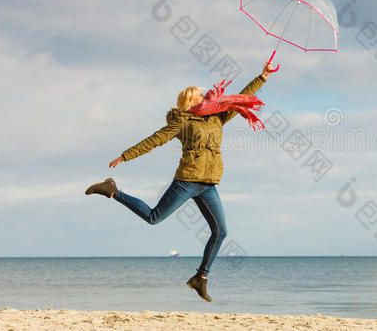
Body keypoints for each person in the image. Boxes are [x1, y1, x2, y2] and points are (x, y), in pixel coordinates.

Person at [84, 60, 275, 302]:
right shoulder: (182, 121)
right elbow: (155, 139)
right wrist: (125, 155)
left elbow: (242, 98)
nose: (206, 94)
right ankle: (113, 191)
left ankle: (200, 278)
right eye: (200, 93)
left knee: (220, 232)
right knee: (154, 218)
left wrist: (263, 77)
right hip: (186, 181)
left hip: (208, 184)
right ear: (191, 101)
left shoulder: (218, 117)